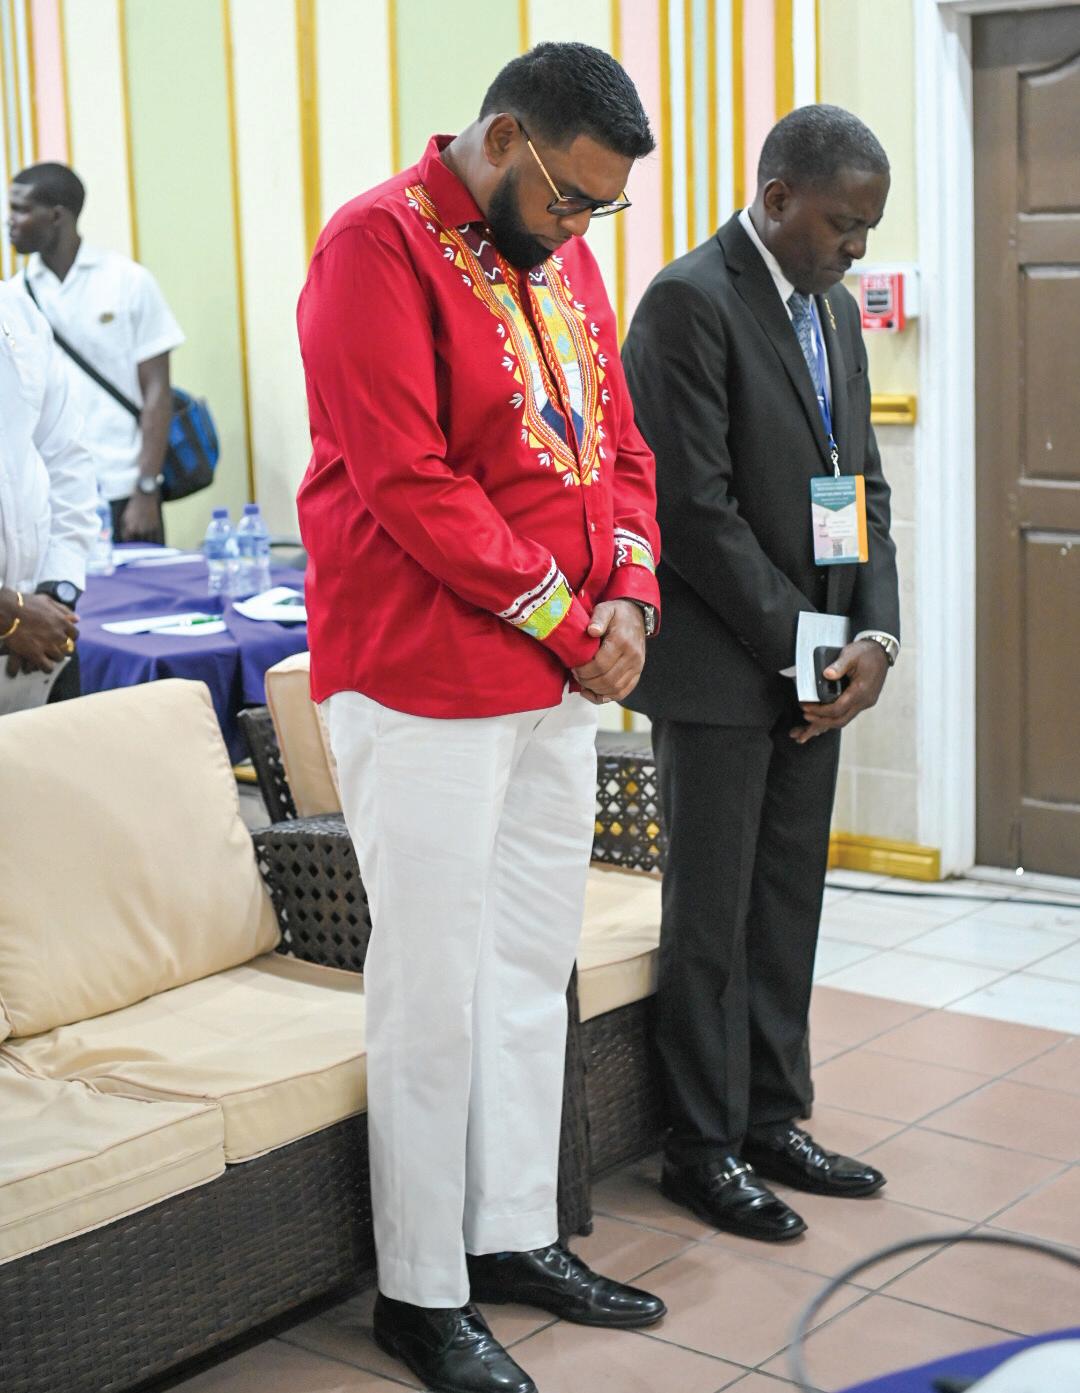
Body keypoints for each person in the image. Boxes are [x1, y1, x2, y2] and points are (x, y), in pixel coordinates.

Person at [296, 42, 664, 1393]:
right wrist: (576, 624)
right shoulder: (374, 248)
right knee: (433, 987)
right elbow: (410, 481)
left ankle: (510, 1232)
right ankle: (421, 1287)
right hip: (422, 679)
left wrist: (631, 597)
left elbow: (621, 451)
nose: (581, 230)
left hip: (556, 680)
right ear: (503, 138)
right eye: (570, 198)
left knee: (525, 969)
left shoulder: (559, 253)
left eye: (603, 209)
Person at [621, 105, 900, 1242]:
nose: (858, 250)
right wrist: (809, 649)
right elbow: (692, 512)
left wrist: (875, 638)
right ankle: (701, 1147)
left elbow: (861, 487)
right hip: (721, 677)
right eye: (842, 225)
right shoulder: (689, 302)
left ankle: (774, 1116)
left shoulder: (833, 310)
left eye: (869, 230)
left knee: (787, 902)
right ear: (778, 199)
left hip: (813, 667)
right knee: (711, 918)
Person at [7, 162, 184, 544]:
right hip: (51, 496)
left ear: (56, 216)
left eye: (21, 210)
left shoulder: (126, 281)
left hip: (125, 490)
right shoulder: (15, 298)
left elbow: (157, 391)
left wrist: (146, 488)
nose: (10, 221)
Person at [0, 279, 96, 708]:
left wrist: (57, 588)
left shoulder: (17, 310)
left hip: (44, 630)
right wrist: (7, 614)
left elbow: (66, 454)